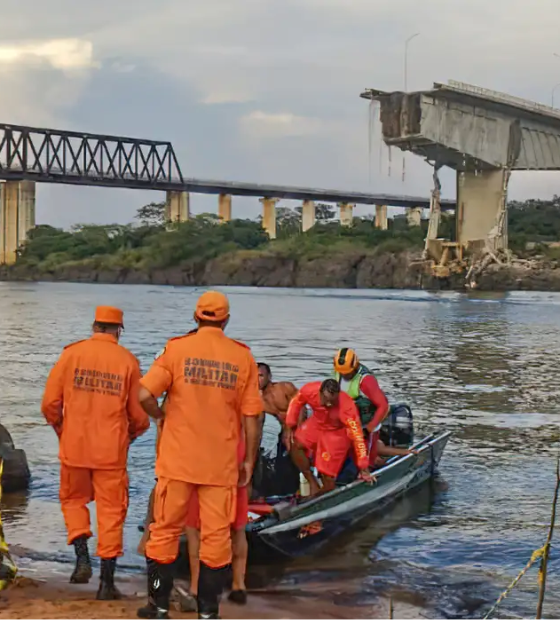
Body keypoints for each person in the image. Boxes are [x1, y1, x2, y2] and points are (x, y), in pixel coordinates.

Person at [137, 291, 263, 620]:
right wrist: (249, 460)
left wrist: (160, 416)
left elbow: (143, 394)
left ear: (196, 317)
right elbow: (252, 417)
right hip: (220, 466)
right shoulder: (242, 357)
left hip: (177, 462)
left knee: (163, 532)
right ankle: (208, 612)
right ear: (226, 320)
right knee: (216, 538)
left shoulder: (177, 349)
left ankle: (158, 606)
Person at [41, 306, 150, 600]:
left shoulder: (70, 355)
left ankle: (81, 557)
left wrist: (63, 431)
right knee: (111, 513)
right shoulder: (128, 361)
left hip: (74, 447)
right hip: (110, 453)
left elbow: (50, 404)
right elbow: (139, 417)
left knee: (73, 501)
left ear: (94, 325)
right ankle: (106, 584)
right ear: (119, 330)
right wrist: (129, 436)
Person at [285, 379, 372, 497]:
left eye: (333, 401)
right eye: (326, 400)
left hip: (336, 432)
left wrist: (363, 466)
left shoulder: (347, 407)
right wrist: (290, 424)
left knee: (326, 474)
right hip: (317, 422)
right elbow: (296, 401)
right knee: (295, 444)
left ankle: (323, 495)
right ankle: (312, 482)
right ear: (320, 393)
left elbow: (357, 436)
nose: (329, 404)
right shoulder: (309, 390)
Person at [333, 348, 389, 467]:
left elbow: (383, 406)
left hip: (366, 424)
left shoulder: (366, 381)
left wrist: (368, 429)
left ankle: (374, 464)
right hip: (348, 423)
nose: (344, 375)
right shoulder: (338, 372)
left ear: (355, 365)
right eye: (342, 373)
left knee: (366, 461)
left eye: (347, 373)